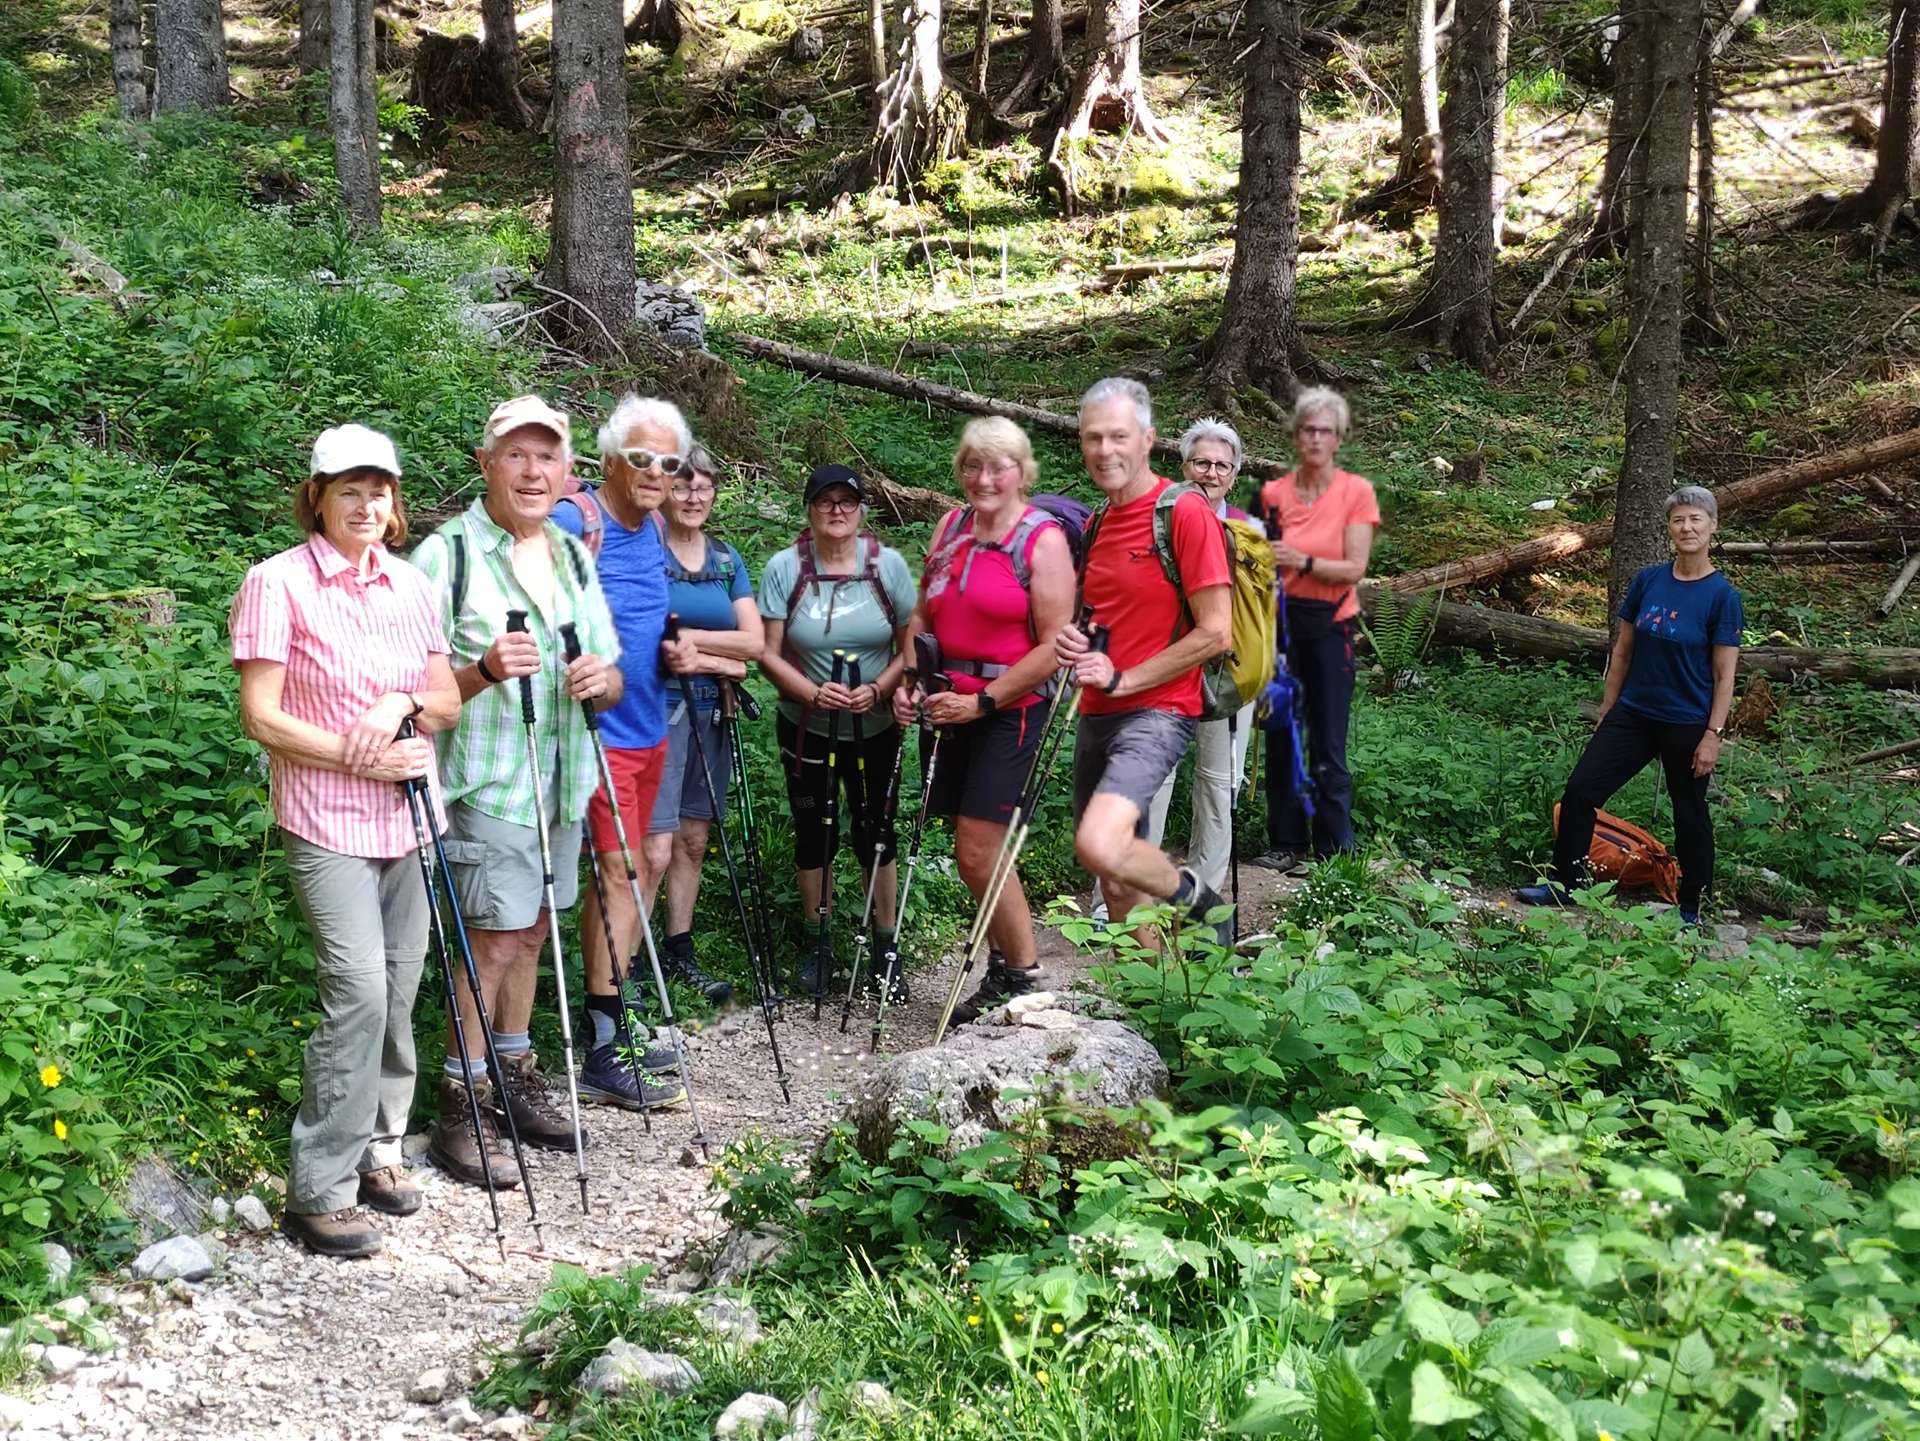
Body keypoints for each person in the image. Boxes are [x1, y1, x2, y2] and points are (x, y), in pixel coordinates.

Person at [230, 424, 461, 1257]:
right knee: (359, 990)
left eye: (381, 490)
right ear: (318, 496)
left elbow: (446, 698)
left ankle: (380, 1149)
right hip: (326, 819)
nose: (367, 505)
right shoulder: (277, 583)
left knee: (400, 987)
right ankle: (318, 1187)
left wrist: (396, 705)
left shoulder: (408, 584)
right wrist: (356, 752)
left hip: (410, 815)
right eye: (349, 490)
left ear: (396, 502)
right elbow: (262, 716)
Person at [409, 395, 630, 1188]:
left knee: (534, 929)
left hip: (561, 781)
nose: (533, 471)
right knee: (492, 938)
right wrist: (483, 671)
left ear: (568, 472)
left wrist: (602, 678)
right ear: (486, 464)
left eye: (548, 457)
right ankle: (460, 1103)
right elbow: (412, 687)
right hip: (486, 783)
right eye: (516, 455)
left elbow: (609, 668)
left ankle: (514, 1075)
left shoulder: (570, 555)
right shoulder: (448, 556)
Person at [550, 395, 718, 1115]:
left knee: (634, 870)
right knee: (619, 873)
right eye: (643, 458)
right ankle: (604, 1046)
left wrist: (673, 653)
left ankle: (612, 1017)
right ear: (612, 458)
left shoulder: (649, 524)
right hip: (600, 734)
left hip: (652, 724)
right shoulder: (573, 520)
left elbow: (643, 620)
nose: (658, 473)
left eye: (670, 462)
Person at [892, 419, 1075, 1021]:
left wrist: (985, 700)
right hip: (946, 702)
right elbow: (922, 614)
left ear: (1023, 473)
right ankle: (1003, 968)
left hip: (1008, 709)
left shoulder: (1040, 542)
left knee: (977, 851)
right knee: (976, 847)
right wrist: (911, 680)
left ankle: (1023, 977)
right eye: (972, 465)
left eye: (998, 467)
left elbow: (1055, 645)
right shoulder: (951, 527)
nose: (983, 478)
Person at [1053, 378, 1233, 947]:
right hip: (1098, 711)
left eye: (1119, 437)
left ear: (1149, 440)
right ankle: (1154, 1008)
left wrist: (1125, 676)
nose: (1105, 450)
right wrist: (1074, 643)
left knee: (1102, 844)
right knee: (1114, 879)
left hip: (1157, 709)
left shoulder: (1184, 512)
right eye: (1092, 438)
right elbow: (1105, 620)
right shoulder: (1097, 522)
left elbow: (1216, 633)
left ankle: (1201, 903)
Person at [1520, 487, 1742, 924]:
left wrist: (1712, 736)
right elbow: (1622, 651)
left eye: (1696, 519)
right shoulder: (1648, 581)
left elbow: (1724, 675)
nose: (1687, 528)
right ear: (1669, 528)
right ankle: (1566, 884)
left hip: (1687, 721)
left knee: (1690, 813)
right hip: (1635, 714)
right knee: (1581, 791)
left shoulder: (1722, 597)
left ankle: (1693, 905)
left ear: (1713, 526)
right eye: (1679, 520)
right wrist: (1608, 708)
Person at [758, 464, 916, 996]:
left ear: (861, 509)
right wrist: (809, 691)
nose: (837, 511)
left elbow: (909, 644)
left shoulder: (887, 566)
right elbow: (767, 652)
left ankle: (885, 945)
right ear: (810, 509)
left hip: (875, 724)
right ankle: (818, 943)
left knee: (877, 831)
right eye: (825, 501)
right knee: (814, 832)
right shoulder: (785, 568)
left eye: (846, 501)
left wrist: (882, 687)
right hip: (807, 724)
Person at [642, 443, 764, 995]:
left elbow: (755, 643)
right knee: (655, 844)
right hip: (656, 706)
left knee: (694, 837)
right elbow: (644, 637)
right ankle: (627, 962)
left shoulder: (724, 558)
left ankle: (678, 951)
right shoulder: (645, 549)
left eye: (703, 485)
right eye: (683, 484)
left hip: (712, 709)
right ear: (665, 488)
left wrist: (694, 645)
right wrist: (723, 659)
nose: (693, 495)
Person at [1249, 388, 1381, 872]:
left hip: (1330, 627)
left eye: (1325, 430)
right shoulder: (1272, 494)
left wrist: (1301, 560)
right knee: (1282, 731)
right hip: (1278, 626)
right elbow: (1253, 562)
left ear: (1338, 437)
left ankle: (1333, 847)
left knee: (1327, 737)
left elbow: (1353, 568)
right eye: (1308, 429)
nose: (1316, 438)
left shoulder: (1355, 493)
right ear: (1295, 436)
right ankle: (1285, 843)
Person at [1142, 418, 1264, 899]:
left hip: (1228, 670)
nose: (1210, 473)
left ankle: (1203, 899)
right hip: (1166, 663)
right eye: (1201, 462)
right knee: (1151, 777)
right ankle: (1126, 894)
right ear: (1183, 465)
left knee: (1219, 783)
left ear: (1235, 475)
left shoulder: (1249, 533)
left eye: (1221, 465)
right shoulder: (1156, 518)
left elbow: (1264, 609)